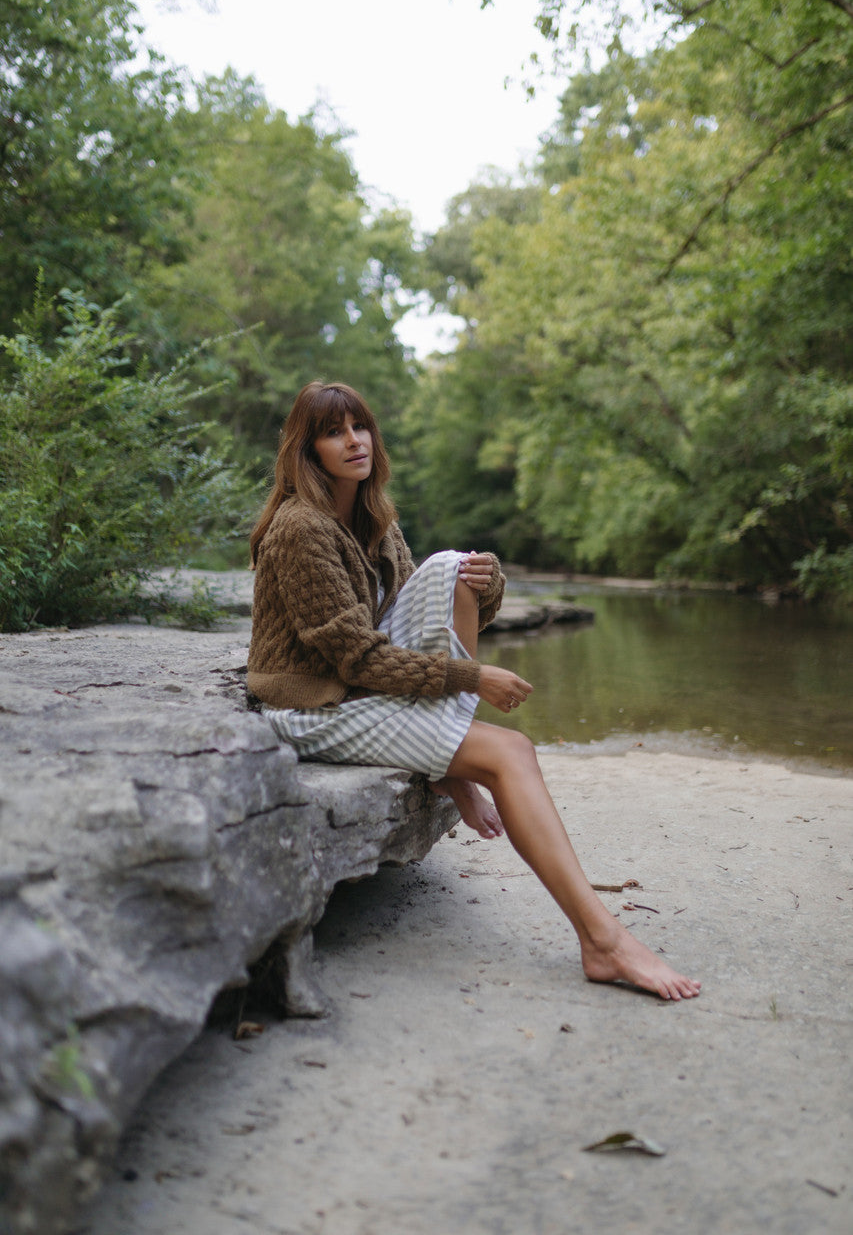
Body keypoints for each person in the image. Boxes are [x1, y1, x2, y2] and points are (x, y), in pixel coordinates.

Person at [248, 380, 701, 1001]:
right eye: (333, 432)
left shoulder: (374, 516)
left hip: (354, 687)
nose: (353, 441)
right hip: (310, 707)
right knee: (510, 753)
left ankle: (447, 763)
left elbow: (428, 620)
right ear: (308, 448)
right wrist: (473, 679)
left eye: (360, 427)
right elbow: (356, 659)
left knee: (451, 566)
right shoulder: (301, 529)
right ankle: (603, 941)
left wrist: (484, 586)